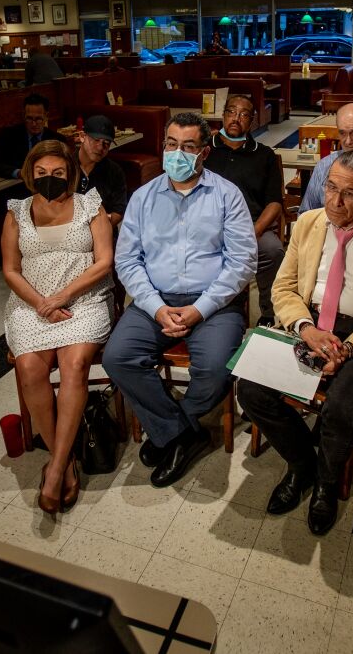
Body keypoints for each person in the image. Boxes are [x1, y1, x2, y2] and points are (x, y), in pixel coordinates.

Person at [237, 151, 353, 535]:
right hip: (312, 323)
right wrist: (306, 328)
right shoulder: (307, 222)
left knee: (341, 408)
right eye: (330, 187)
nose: (335, 202)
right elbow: (285, 287)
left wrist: (349, 348)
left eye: (348, 194)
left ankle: (326, 484)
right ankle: (303, 465)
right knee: (251, 388)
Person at [103, 112, 257, 488]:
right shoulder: (143, 197)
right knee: (117, 357)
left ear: (204, 152)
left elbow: (242, 261)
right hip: (154, 299)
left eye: (187, 147)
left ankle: (171, 431)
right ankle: (184, 435)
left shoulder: (226, 195)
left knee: (218, 367)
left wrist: (198, 309)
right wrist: (156, 306)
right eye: (171, 144)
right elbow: (127, 260)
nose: (177, 153)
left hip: (213, 302)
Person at [2, 140, 114, 515]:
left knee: (75, 366)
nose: (50, 179)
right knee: (29, 367)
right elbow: (10, 269)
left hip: (82, 300)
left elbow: (104, 262)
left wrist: (62, 297)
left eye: (58, 173)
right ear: (31, 174)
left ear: (71, 173)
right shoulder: (16, 212)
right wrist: (40, 303)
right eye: (42, 174)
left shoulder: (90, 205)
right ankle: (63, 462)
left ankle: (53, 474)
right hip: (32, 304)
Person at [203, 95, 284, 325]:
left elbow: (275, 203)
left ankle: (268, 314)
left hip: (252, 225)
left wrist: (254, 231)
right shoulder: (206, 149)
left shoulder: (264, 155)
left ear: (252, 121)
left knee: (272, 249)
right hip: (209, 224)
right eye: (231, 112)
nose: (236, 118)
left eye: (244, 114)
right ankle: (213, 309)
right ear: (223, 115)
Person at [0, 94, 64, 180]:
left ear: (46, 116)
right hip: (17, 187)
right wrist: (18, 173)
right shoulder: (8, 135)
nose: (34, 124)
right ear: (24, 115)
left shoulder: (57, 140)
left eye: (38, 119)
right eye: (29, 118)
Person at [75, 115, 129, 226]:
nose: (100, 148)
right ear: (82, 136)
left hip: (102, 231)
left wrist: (101, 224)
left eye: (106, 143)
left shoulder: (115, 171)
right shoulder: (65, 166)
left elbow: (118, 211)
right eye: (96, 140)